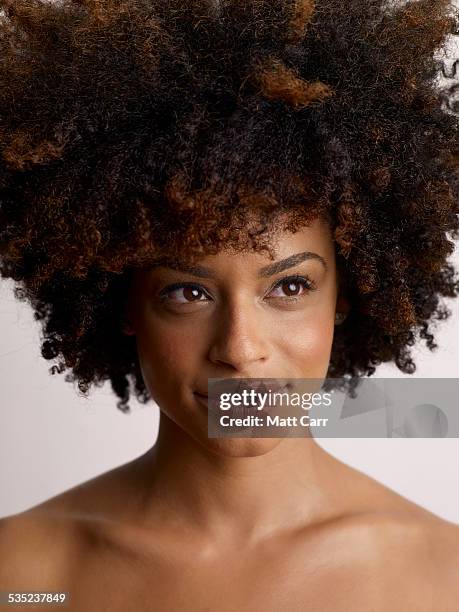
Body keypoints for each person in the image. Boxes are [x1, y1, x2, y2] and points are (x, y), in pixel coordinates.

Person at [0, 0, 458, 609]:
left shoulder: (443, 579)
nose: (240, 349)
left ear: (345, 294)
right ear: (124, 303)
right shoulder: (27, 577)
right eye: (188, 292)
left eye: (289, 287)